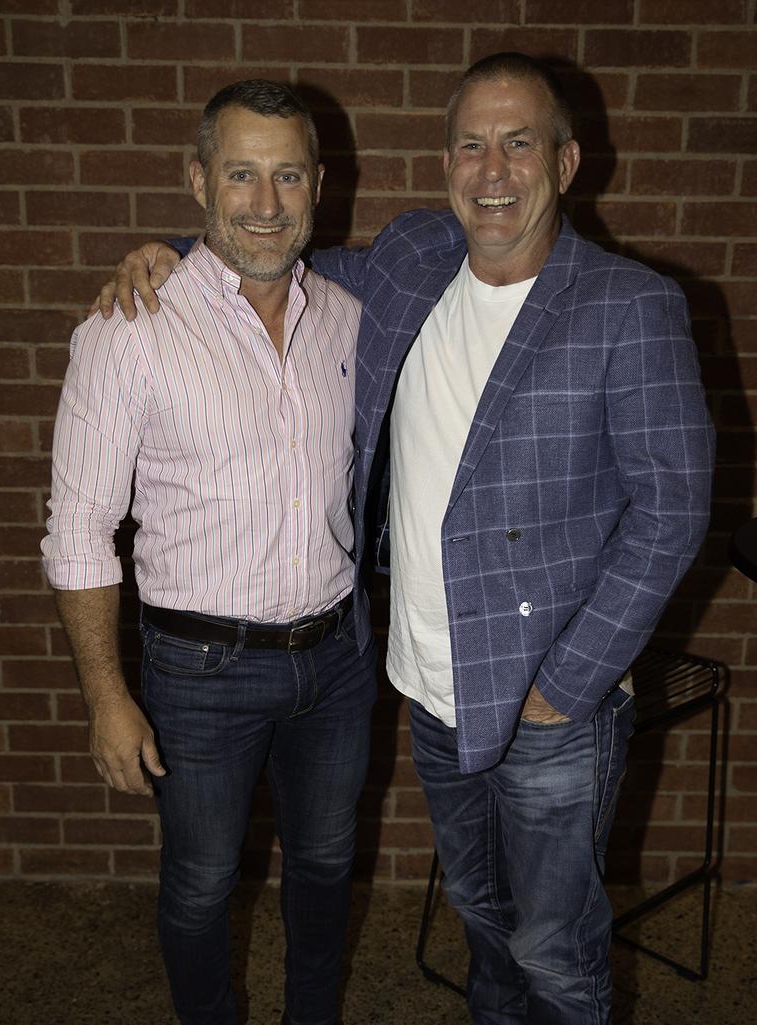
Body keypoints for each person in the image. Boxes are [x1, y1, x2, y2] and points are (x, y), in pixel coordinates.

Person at [98, 54, 715, 1025]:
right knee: (477, 906)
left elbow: (674, 510)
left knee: (556, 945)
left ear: (566, 162)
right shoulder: (413, 256)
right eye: (472, 144)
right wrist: (173, 248)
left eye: (520, 143)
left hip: (551, 703)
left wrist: (568, 684)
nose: (493, 169)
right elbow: (267, 252)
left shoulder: (631, 308)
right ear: (446, 162)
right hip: (426, 685)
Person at [42, 80, 378, 1025]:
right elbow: (78, 529)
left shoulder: (352, 323)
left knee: (324, 867)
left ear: (318, 185)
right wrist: (108, 696)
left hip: (337, 661)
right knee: (198, 886)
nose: (265, 203)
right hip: (196, 671)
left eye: (286, 175)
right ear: (197, 181)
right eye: (241, 173)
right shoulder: (128, 331)